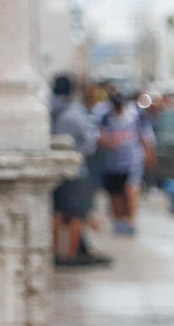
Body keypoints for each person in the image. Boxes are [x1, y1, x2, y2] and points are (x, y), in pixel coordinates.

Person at [50, 74, 109, 267]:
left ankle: (55, 251)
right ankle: (70, 254)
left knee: (57, 213)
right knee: (76, 214)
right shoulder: (75, 113)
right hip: (76, 168)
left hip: (54, 166)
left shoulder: (49, 109)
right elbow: (89, 143)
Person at [94, 86, 156, 235]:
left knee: (131, 190)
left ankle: (131, 220)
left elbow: (146, 135)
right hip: (113, 162)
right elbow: (97, 135)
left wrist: (149, 153)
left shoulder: (136, 114)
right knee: (115, 193)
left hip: (133, 160)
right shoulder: (105, 115)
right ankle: (120, 220)